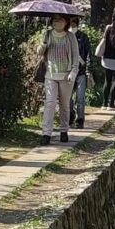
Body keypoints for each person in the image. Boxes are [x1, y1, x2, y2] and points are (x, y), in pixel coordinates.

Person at [40, 14, 80, 146]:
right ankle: (46, 133)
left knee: (64, 104)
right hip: (50, 74)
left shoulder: (70, 36)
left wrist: (73, 71)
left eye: (60, 19)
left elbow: (75, 55)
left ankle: (64, 131)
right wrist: (43, 44)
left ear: (66, 22)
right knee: (50, 103)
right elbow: (39, 52)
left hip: (66, 75)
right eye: (55, 20)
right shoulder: (47, 34)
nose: (57, 22)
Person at [69, 17, 92, 129]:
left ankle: (80, 119)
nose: (71, 27)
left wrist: (88, 69)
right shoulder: (66, 37)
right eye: (70, 25)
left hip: (81, 71)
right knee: (68, 97)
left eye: (73, 25)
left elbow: (88, 54)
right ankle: (70, 116)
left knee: (80, 97)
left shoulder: (83, 37)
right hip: (68, 72)